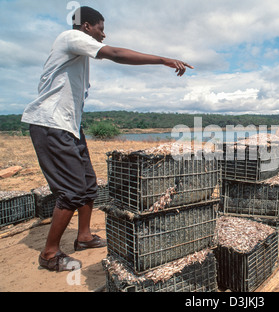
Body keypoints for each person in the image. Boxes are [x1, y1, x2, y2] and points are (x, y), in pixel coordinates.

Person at [21, 7, 193, 272]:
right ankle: (49, 253)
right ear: (87, 26)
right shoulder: (71, 37)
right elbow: (115, 54)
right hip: (50, 124)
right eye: (101, 28)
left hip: (68, 127)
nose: (104, 33)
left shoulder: (78, 52)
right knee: (72, 191)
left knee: (89, 183)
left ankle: (84, 236)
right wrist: (162, 59)